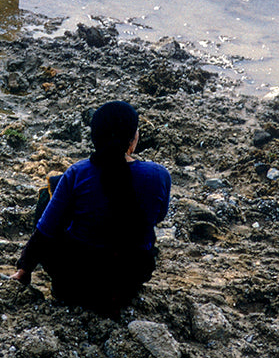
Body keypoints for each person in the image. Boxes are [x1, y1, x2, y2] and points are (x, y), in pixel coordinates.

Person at [10, 101, 171, 317]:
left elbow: (45, 232)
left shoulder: (79, 172)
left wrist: (24, 269)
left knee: (50, 191)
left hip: (75, 282)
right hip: (128, 281)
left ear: (95, 138)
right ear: (132, 140)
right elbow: (158, 217)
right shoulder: (159, 175)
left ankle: (24, 273)